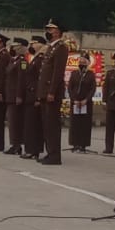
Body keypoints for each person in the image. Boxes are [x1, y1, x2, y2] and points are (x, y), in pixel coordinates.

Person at [38, 21, 70, 166]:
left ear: (57, 32)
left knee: (52, 125)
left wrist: (51, 91)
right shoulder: (51, 48)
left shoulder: (61, 48)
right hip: (45, 92)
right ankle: (50, 152)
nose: (48, 31)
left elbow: (58, 72)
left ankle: (55, 156)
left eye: (50, 29)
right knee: (46, 125)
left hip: (52, 93)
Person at [20, 37, 46, 161]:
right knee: (29, 125)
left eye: (33, 44)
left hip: (34, 96)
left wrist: (38, 97)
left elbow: (39, 80)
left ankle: (33, 150)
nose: (31, 46)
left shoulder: (40, 59)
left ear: (40, 45)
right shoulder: (34, 58)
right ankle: (31, 149)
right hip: (29, 95)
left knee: (33, 125)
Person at [2, 38, 28, 157]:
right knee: (11, 121)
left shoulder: (22, 62)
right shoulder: (13, 61)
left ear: (20, 48)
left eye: (15, 46)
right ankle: (14, 144)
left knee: (15, 121)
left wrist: (19, 95)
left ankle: (17, 145)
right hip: (10, 95)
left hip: (15, 96)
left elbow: (21, 80)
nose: (12, 49)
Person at [67, 51, 96, 153]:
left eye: (84, 61)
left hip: (85, 103)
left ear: (87, 63)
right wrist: (73, 100)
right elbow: (70, 87)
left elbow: (92, 89)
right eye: (80, 61)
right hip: (75, 102)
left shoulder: (91, 74)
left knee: (84, 124)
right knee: (75, 123)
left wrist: (86, 100)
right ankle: (75, 144)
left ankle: (83, 145)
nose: (81, 63)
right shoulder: (74, 73)